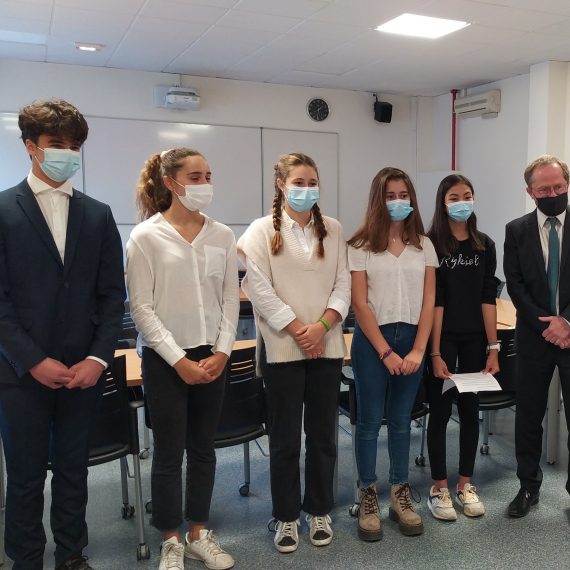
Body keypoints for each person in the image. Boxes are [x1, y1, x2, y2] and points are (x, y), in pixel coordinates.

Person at [0, 99, 125, 570]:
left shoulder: (98, 214)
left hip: (82, 371)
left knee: (74, 470)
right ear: (31, 147)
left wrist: (97, 359)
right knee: (26, 476)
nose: (67, 154)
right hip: (19, 373)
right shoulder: (3, 210)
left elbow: (112, 297)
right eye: (57, 144)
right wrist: (32, 359)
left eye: (74, 146)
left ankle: (72, 554)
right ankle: (26, 560)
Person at [127, 147, 239, 570]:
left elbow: (230, 299)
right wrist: (178, 360)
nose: (204, 184)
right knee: (169, 453)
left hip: (212, 356)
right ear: (170, 183)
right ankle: (170, 539)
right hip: (164, 359)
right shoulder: (146, 237)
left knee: (204, 448)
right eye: (195, 177)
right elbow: (141, 308)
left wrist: (223, 350)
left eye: (208, 175)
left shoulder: (222, 235)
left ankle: (198, 533)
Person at [237, 152, 350, 553]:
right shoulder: (260, 230)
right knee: (284, 440)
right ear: (281, 185)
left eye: (312, 182)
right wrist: (298, 329)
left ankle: (318, 509)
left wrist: (321, 328)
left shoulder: (333, 229)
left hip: (326, 346)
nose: (306, 189)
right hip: (283, 349)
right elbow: (258, 288)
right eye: (298, 182)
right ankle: (286, 515)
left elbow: (343, 284)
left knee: (322, 437)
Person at [347, 167, 436, 540]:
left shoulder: (424, 244)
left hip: (413, 338)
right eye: (390, 195)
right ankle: (368, 493)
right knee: (369, 421)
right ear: (377, 200)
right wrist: (386, 353)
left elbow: (430, 300)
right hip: (374, 342)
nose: (398, 201)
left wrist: (418, 349)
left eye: (403, 194)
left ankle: (400, 493)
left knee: (401, 420)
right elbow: (359, 303)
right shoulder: (360, 245)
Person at [425, 174, 500, 521]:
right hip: (442, 340)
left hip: (474, 340)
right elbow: (435, 301)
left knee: (470, 410)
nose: (462, 202)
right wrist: (435, 352)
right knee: (440, 413)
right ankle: (439, 487)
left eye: (467, 195)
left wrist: (493, 347)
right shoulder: (431, 244)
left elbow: (488, 298)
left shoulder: (484, 244)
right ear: (443, 203)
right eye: (454, 197)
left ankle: (465, 484)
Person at [504, 154, 570, 518]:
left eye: (559, 186)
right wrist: (547, 325)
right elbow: (515, 285)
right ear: (530, 192)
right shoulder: (516, 231)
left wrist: (566, 323)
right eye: (545, 189)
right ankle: (528, 486)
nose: (553, 194)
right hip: (533, 337)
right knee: (528, 416)